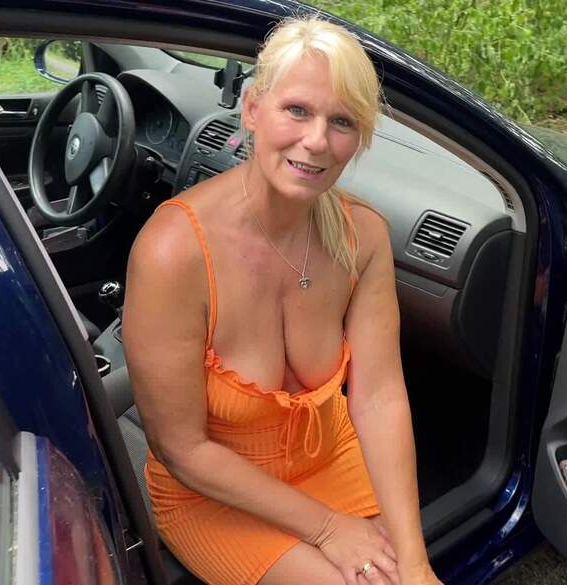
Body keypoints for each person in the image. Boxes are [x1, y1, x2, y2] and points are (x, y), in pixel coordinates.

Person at [122, 16, 441, 585]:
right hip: (215, 490)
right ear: (252, 109)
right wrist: (328, 529)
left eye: (342, 121)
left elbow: (378, 398)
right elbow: (182, 448)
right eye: (297, 110)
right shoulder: (173, 250)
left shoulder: (362, 236)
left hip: (331, 458)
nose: (316, 141)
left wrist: (417, 564)